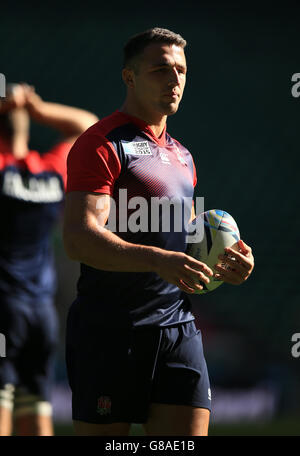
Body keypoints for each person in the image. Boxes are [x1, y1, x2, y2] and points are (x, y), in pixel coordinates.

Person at [63, 27, 254, 436]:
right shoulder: (100, 143)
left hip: (176, 325)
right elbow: (78, 238)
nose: (174, 80)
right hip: (110, 330)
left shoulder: (182, 155)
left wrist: (225, 262)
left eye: (181, 70)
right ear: (129, 77)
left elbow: (179, 235)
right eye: (161, 69)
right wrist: (156, 260)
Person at [0, 83, 98, 436]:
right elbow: (87, 126)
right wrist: (37, 107)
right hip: (41, 312)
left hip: (2, 310)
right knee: (36, 404)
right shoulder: (50, 174)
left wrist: (5, 106)